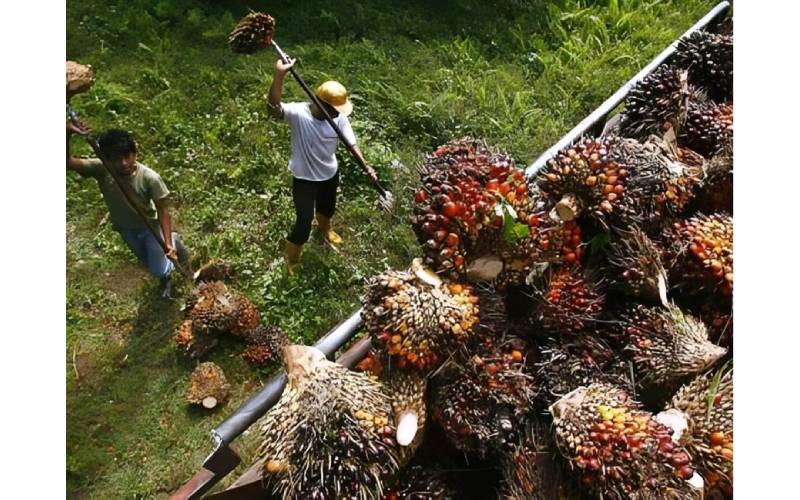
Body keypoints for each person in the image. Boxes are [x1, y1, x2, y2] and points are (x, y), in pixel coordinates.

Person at [267, 57, 369, 275]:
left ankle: (325, 230)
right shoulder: (298, 114)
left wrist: (365, 166)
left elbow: (351, 143)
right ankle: (292, 257)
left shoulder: (339, 117)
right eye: (333, 110)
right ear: (319, 103)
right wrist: (279, 76)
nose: (338, 114)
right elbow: (273, 109)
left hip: (329, 174)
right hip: (304, 179)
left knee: (327, 208)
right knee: (303, 223)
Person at [66, 122, 188, 298]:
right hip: (125, 229)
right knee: (146, 261)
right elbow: (67, 162)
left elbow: (162, 210)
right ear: (106, 159)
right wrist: (68, 131)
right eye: (116, 159)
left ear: (135, 152)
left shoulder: (149, 178)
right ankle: (166, 267)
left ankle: (169, 260)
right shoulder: (102, 169)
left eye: (127, 156)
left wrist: (167, 242)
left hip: (150, 228)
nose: (123, 163)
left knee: (157, 268)